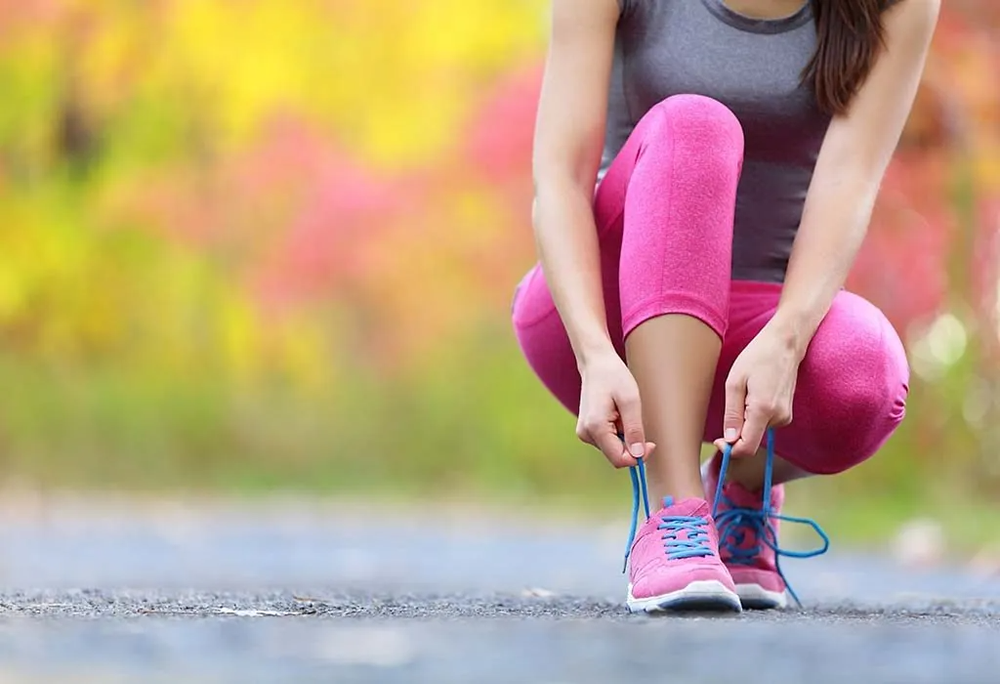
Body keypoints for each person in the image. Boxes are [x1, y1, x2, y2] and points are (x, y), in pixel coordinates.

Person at [511, 0, 939, 613]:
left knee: (865, 372)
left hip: (759, 329)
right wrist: (593, 352)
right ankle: (675, 514)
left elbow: (850, 177)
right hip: (604, 314)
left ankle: (739, 486)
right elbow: (560, 177)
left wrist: (788, 338)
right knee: (696, 124)